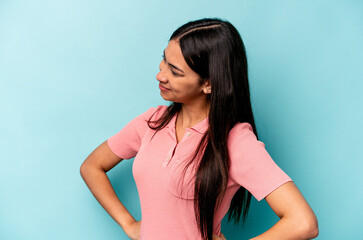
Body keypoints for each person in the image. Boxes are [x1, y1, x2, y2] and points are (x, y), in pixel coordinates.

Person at [80, 18, 319, 240]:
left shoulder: (234, 141)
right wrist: (129, 224)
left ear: (208, 84)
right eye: (164, 60)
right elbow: (91, 167)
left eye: (175, 72)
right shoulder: (151, 121)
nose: (160, 75)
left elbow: (303, 222)